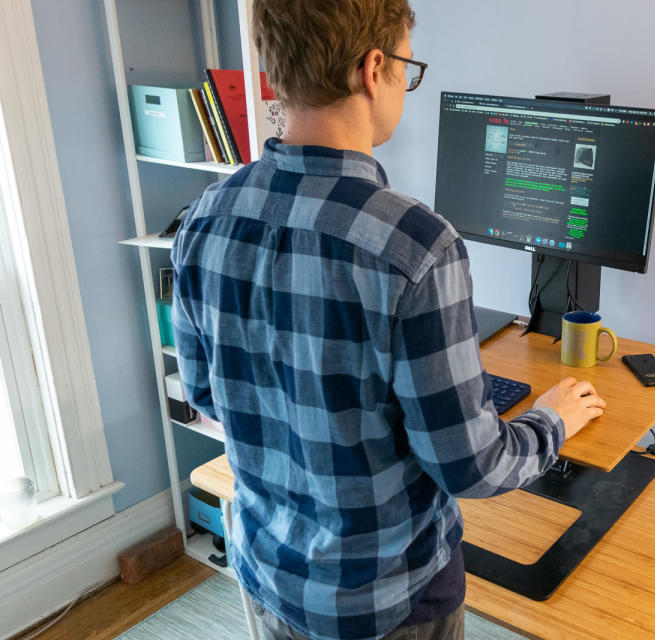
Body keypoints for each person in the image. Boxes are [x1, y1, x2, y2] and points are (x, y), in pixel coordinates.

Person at [171, 1, 606, 639]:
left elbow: (206, 393)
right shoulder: (416, 246)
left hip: (267, 574)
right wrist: (552, 421)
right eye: (408, 64)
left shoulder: (206, 215)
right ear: (374, 69)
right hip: (387, 607)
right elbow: (472, 467)